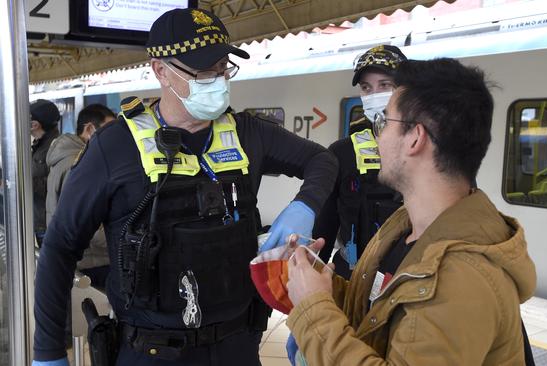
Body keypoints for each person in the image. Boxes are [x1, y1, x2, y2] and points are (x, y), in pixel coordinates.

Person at [32, 8, 336, 366]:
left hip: (237, 346)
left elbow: (323, 160)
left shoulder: (248, 134)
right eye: (204, 72)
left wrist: (304, 207)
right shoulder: (114, 149)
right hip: (150, 351)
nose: (218, 80)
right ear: (161, 70)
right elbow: (60, 247)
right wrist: (49, 353)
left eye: (223, 68)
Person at [285, 58, 537, 365]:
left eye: (384, 123)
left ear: (415, 138)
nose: (377, 136)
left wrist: (314, 310)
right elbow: (381, 310)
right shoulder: (405, 226)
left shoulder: (459, 279)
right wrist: (318, 283)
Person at [314, 45, 405, 280]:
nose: (374, 94)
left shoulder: (427, 149)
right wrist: (313, 274)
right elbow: (324, 227)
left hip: (405, 282)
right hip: (351, 277)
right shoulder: (342, 152)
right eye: (367, 88)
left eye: (384, 85)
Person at [45, 103, 116, 288]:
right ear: (90, 129)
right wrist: (121, 239)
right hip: (93, 262)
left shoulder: (65, 159)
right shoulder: (78, 164)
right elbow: (80, 221)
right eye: (109, 130)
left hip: (84, 259)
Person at [30, 99, 61, 245]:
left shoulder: (54, 147)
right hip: (39, 219)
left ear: (35, 124)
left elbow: (55, 185)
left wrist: (21, 181)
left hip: (47, 223)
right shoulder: (38, 144)